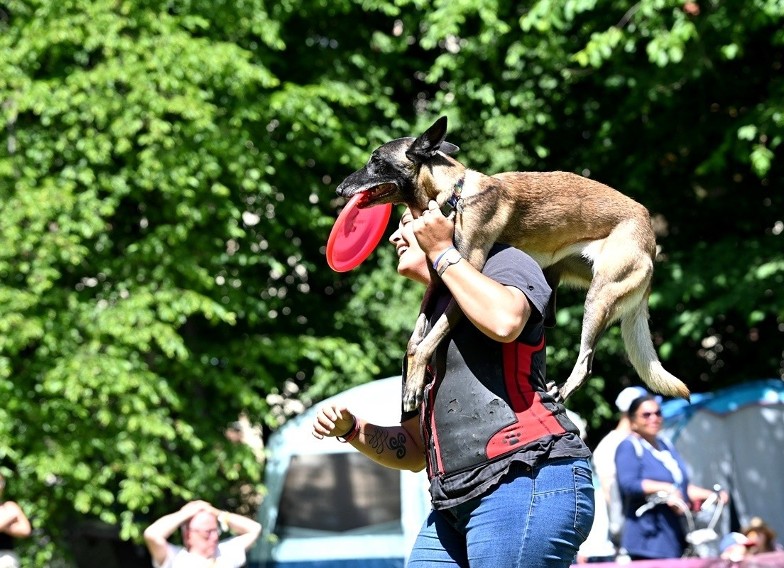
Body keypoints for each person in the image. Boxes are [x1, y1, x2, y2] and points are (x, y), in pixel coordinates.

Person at [312, 202, 595, 567]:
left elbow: (506, 321)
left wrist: (444, 251)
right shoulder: (423, 334)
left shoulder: (503, 261)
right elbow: (415, 450)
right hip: (452, 503)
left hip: (527, 476)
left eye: (406, 224)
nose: (394, 237)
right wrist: (352, 430)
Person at [614, 394, 728, 561]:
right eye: (646, 415)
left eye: (658, 413)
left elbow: (681, 486)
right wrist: (667, 489)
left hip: (674, 538)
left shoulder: (665, 446)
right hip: (648, 541)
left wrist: (712, 495)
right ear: (633, 421)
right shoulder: (629, 446)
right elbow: (629, 484)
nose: (654, 418)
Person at [592, 385, 652, 547]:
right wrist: (624, 534)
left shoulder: (643, 442)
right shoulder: (610, 445)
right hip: (623, 537)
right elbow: (609, 491)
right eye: (645, 412)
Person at [143, 500, 261, 568]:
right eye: (207, 532)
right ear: (188, 534)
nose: (214, 537)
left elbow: (254, 528)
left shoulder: (225, 553)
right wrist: (186, 513)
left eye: (215, 530)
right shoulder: (175, 558)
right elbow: (151, 534)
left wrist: (217, 513)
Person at [0, 473, 31, 568]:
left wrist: (2, 526)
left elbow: (26, 530)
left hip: (6, 557)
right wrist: (7, 521)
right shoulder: (10, 511)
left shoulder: (9, 506)